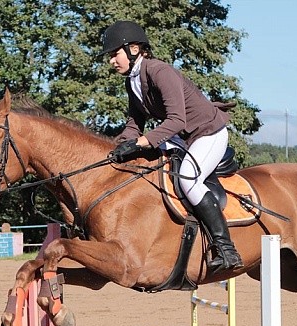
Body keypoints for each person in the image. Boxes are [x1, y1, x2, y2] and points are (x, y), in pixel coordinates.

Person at [98, 20, 243, 272]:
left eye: (114, 54)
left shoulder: (159, 71)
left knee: (188, 179)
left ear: (134, 49)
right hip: (180, 137)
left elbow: (177, 120)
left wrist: (141, 142)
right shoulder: (132, 80)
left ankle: (226, 249)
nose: (111, 61)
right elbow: (135, 124)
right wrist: (117, 147)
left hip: (206, 133)